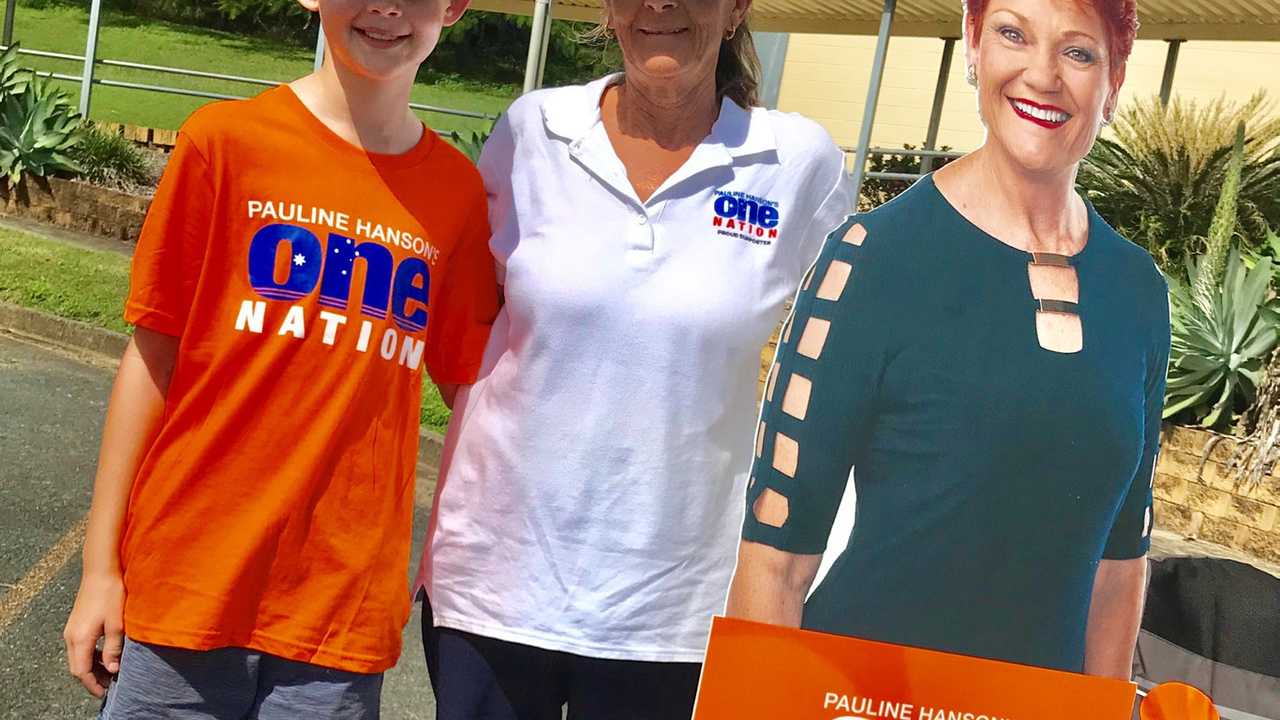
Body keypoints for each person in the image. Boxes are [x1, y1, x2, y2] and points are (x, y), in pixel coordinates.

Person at [413, 0, 853, 715]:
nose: (660, 6)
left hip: (673, 609)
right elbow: (467, 317)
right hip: (495, 581)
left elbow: (844, 357)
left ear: (738, 8)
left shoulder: (798, 164)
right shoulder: (534, 130)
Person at [61, 0, 499, 716]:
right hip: (187, 585)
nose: (389, 9)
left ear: (453, 7)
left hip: (338, 611)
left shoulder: (454, 193)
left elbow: (476, 391)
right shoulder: (225, 143)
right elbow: (151, 361)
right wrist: (99, 567)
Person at [727, 0, 1165, 679]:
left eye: (1078, 52)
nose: (1042, 75)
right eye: (1013, 35)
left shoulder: (1138, 290)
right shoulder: (871, 260)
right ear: (973, 45)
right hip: (867, 698)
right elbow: (774, 566)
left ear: (1116, 77)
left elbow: (1120, 559)